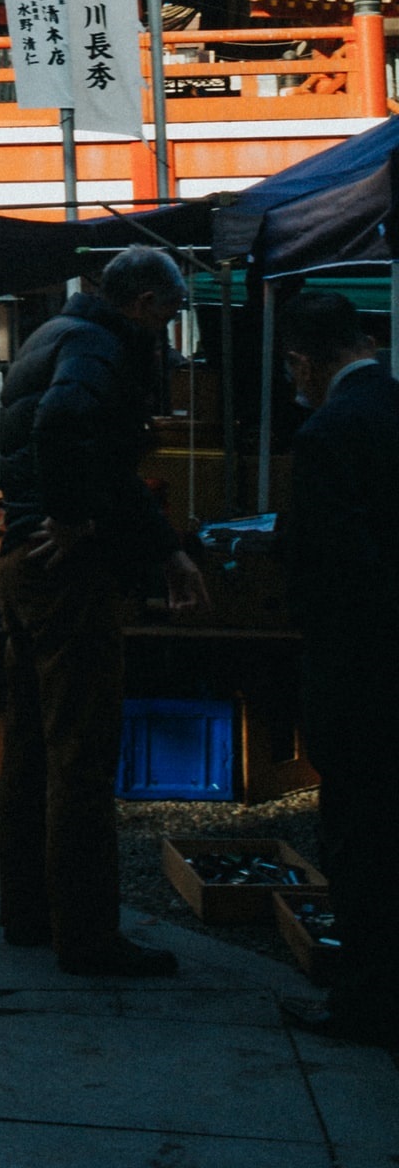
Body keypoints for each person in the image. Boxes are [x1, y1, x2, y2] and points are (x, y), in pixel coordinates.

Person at [0, 245, 207, 978]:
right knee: (81, 753)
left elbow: (86, 450)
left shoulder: (56, 333)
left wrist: (163, 550)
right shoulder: (97, 346)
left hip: (23, 559)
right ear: (145, 303)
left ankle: (27, 911)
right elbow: (66, 426)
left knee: (29, 746)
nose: (172, 331)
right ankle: (85, 933)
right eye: (171, 314)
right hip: (66, 568)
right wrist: (74, 517)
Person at [276, 290, 399, 1046]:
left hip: (358, 671)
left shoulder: (327, 433)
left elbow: (329, 569)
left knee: (358, 836)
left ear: (304, 359)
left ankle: (364, 996)